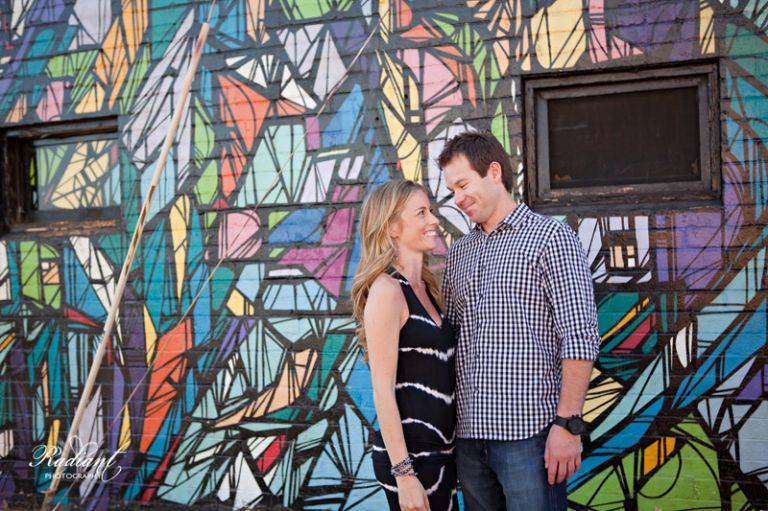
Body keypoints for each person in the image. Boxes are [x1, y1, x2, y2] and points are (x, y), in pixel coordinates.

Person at [437, 132, 601, 511]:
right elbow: (451, 340)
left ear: (494, 172)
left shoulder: (551, 238)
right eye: (452, 190)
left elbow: (579, 336)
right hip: (469, 441)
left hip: (529, 438)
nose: (457, 198)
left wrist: (568, 425)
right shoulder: (459, 253)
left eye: (463, 184)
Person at [351, 179, 459, 511]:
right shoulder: (387, 290)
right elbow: (382, 391)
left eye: (431, 211)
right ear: (392, 227)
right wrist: (404, 474)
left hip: (441, 455)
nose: (434, 220)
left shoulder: (427, 288)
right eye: (421, 213)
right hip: (411, 461)